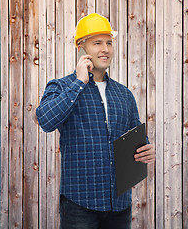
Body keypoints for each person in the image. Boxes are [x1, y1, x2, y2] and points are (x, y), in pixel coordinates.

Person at [36, 13, 156, 229]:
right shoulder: (61, 87)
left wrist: (145, 150)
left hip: (119, 205)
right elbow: (46, 120)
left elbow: (135, 139)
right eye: (97, 43)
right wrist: (79, 81)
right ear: (81, 47)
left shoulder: (124, 94)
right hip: (80, 206)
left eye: (109, 43)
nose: (106, 49)